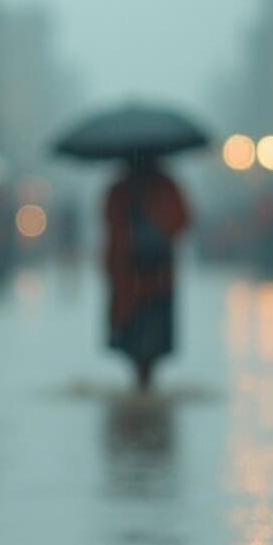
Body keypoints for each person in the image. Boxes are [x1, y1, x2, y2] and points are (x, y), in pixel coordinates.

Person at [103, 155, 192, 390]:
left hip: (144, 277)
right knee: (142, 334)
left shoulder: (124, 189)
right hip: (144, 277)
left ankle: (142, 378)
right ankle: (144, 379)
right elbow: (183, 220)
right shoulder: (161, 188)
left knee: (140, 333)